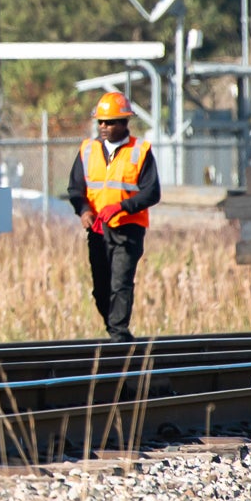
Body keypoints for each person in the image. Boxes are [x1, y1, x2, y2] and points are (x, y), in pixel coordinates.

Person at [66, 91, 160, 342]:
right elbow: (75, 189)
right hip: (97, 231)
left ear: (124, 123)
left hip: (128, 229)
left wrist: (122, 207)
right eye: (100, 122)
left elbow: (152, 192)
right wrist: (84, 210)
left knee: (121, 283)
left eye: (109, 122)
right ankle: (116, 333)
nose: (103, 127)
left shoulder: (140, 151)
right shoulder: (87, 149)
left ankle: (119, 337)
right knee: (101, 289)